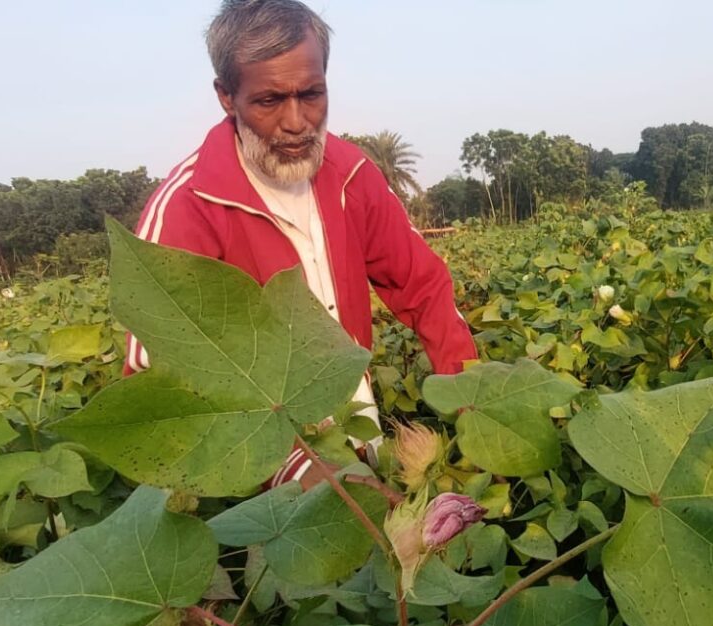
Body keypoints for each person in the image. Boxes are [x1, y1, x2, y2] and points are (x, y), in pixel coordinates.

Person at [122, 0, 477, 487]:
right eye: (269, 101)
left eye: (312, 94)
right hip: (258, 483)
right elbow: (154, 377)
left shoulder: (353, 176)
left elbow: (425, 287)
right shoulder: (189, 207)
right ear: (227, 96)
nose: (297, 122)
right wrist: (301, 468)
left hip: (360, 437)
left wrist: (475, 405)